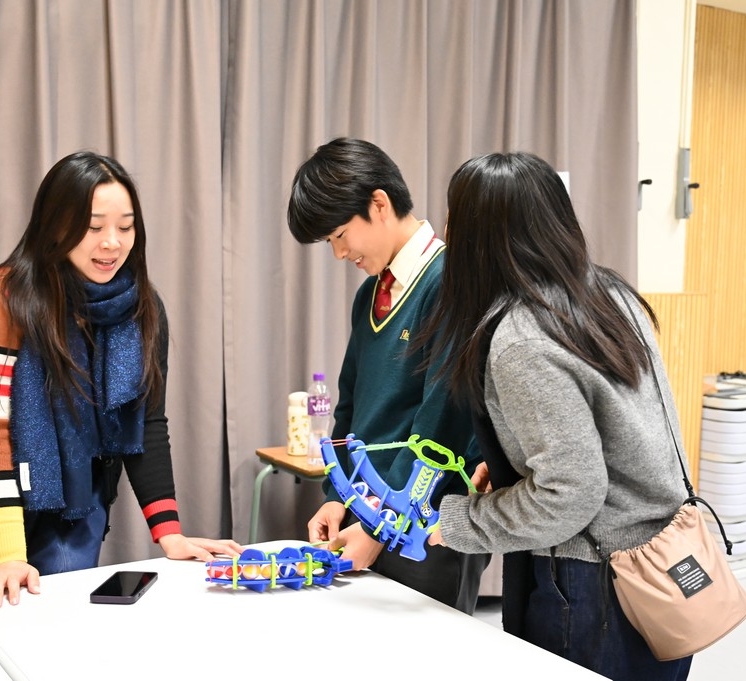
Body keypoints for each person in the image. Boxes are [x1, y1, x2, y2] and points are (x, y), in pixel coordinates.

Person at [0, 151, 242, 608]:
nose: (112, 243)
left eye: (126, 227)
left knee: (59, 622)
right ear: (55, 225)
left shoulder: (141, 308)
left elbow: (145, 423)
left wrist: (169, 532)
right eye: (93, 228)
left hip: (74, 488)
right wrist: (8, 557)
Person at [420, 151, 692, 680]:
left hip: (593, 585)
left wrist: (460, 522)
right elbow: (621, 432)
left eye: (453, 218)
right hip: (659, 560)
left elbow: (569, 495)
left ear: (480, 236)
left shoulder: (523, 337)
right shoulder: (610, 295)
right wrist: (515, 463)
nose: (447, 232)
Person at [286, 137, 489, 614]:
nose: (339, 254)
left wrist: (384, 526)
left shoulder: (450, 280)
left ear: (379, 204)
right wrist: (336, 498)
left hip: (427, 525)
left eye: (340, 235)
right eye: (330, 243)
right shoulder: (370, 295)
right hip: (367, 517)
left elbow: (443, 424)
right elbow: (350, 407)